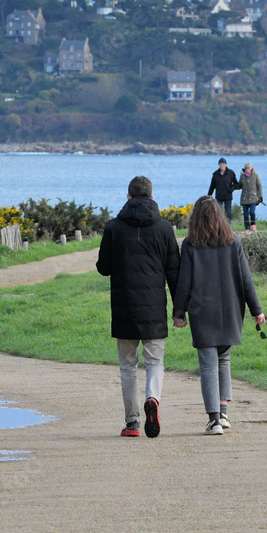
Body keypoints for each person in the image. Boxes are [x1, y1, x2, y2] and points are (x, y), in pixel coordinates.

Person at [96, 176, 180, 439]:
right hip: (154, 309)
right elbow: (174, 272)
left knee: (128, 366)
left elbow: (103, 268)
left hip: (124, 309)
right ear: (152, 198)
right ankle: (152, 399)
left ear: (128, 197)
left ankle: (132, 422)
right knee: (155, 361)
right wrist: (180, 310)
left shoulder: (113, 228)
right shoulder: (165, 228)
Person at [172, 196, 265, 436]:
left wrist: (179, 312)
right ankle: (223, 415)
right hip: (230, 311)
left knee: (208, 366)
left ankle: (214, 420)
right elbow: (246, 281)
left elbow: (184, 283)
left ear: (196, 220)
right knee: (223, 362)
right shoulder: (233, 243)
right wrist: (257, 310)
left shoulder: (191, 246)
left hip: (203, 312)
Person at [207, 157, 239, 222]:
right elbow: (212, 186)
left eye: (223, 164)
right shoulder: (215, 174)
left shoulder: (231, 173)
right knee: (219, 213)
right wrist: (209, 195)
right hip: (219, 196)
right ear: (219, 165)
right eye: (221, 164)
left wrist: (231, 189)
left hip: (228, 196)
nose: (222, 165)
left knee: (228, 213)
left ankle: (228, 227)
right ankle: (220, 227)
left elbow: (236, 184)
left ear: (226, 165)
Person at [238, 162, 263, 233]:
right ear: (244, 169)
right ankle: (247, 228)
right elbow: (239, 185)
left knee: (252, 212)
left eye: (248, 168)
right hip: (244, 198)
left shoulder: (256, 176)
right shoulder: (242, 177)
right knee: (245, 214)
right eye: (246, 168)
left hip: (253, 198)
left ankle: (253, 225)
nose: (247, 169)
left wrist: (260, 196)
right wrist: (232, 187)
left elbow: (259, 186)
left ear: (251, 168)